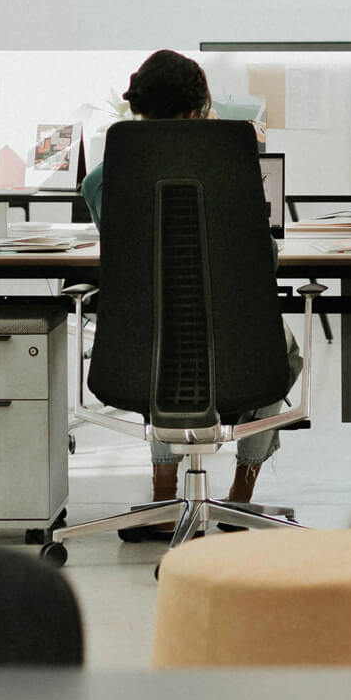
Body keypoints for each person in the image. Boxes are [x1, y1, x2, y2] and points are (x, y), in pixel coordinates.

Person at [78, 50, 289, 535]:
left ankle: (162, 498)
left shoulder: (100, 180)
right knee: (279, 346)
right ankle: (240, 499)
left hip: (138, 350)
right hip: (238, 351)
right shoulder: (231, 168)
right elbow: (265, 262)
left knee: (165, 340)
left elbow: (131, 262)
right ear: (197, 110)